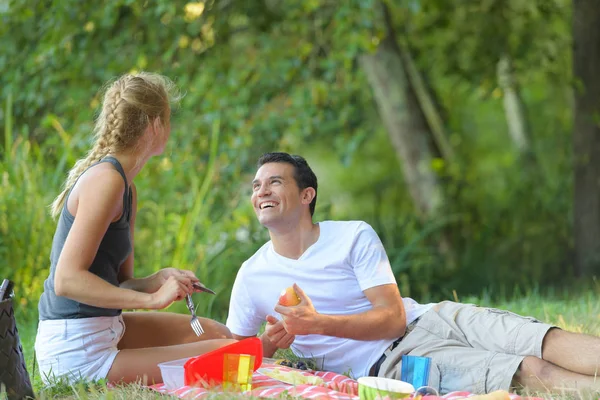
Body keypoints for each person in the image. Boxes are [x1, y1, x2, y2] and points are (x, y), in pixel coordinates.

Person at [226, 151, 600, 395]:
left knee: (542, 339)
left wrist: (316, 323)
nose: (262, 191)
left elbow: (393, 318)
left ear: (306, 195)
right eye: (257, 185)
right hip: (393, 362)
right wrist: (272, 342)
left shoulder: (353, 234)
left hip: (431, 316)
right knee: (530, 370)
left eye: (275, 181)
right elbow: (233, 358)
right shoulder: (252, 274)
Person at [35, 72, 235, 385]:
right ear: (156, 125)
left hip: (106, 326)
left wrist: (156, 281)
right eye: (169, 119)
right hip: (76, 348)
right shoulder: (106, 180)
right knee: (231, 355)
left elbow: (120, 287)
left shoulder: (126, 187)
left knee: (220, 334)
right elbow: (67, 280)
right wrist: (153, 301)